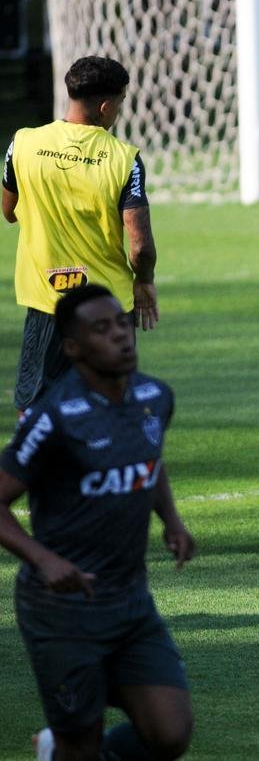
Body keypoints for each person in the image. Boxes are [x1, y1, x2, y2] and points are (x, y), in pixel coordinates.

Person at [0, 284, 194, 761]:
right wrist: (44, 560)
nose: (120, 335)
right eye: (101, 329)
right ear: (73, 348)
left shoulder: (154, 396)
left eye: (121, 324)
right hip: (62, 610)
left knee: (170, 733)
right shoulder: (53, 419)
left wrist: (171, 519)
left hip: (130, 600)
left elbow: (149, 456)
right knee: (79, 747)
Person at [2, 55, 159, 412]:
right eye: (119, 103)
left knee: (34, 408)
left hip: (48, 299)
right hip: (107, 304)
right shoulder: (124, 159)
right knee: (110, 405)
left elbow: (9, 211)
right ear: (105, 107)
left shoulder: (23, 143)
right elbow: (140, 247)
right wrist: (144, 281)